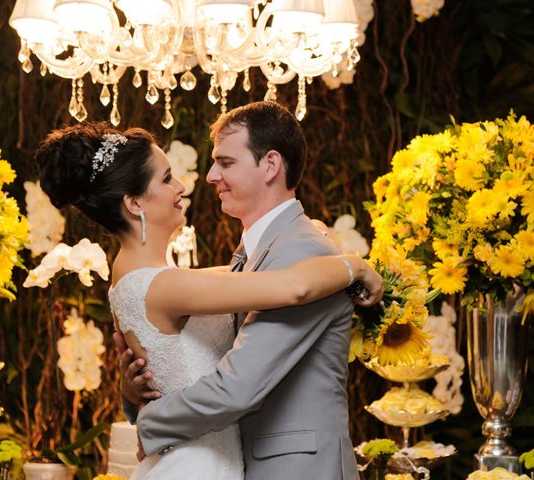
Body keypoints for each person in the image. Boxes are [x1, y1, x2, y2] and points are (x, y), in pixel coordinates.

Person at [36, 120, 383, 480]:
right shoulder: (164, 285)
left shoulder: (152, 277)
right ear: (134, 202)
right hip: (197, 465)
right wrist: (354, 265)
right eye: (167, 178)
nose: (189, 183)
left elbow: (244, 284)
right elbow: (293, 287)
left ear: (271, 165)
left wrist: (139, 404)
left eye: (226, 162)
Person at [119, 101, 370, 480]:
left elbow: (239, 386)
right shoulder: (249, 256)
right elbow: (202, 361)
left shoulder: (301, 250)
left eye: (226, 162)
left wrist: (151, 422)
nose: (209, 175)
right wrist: (136, 392)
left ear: (270, 165)